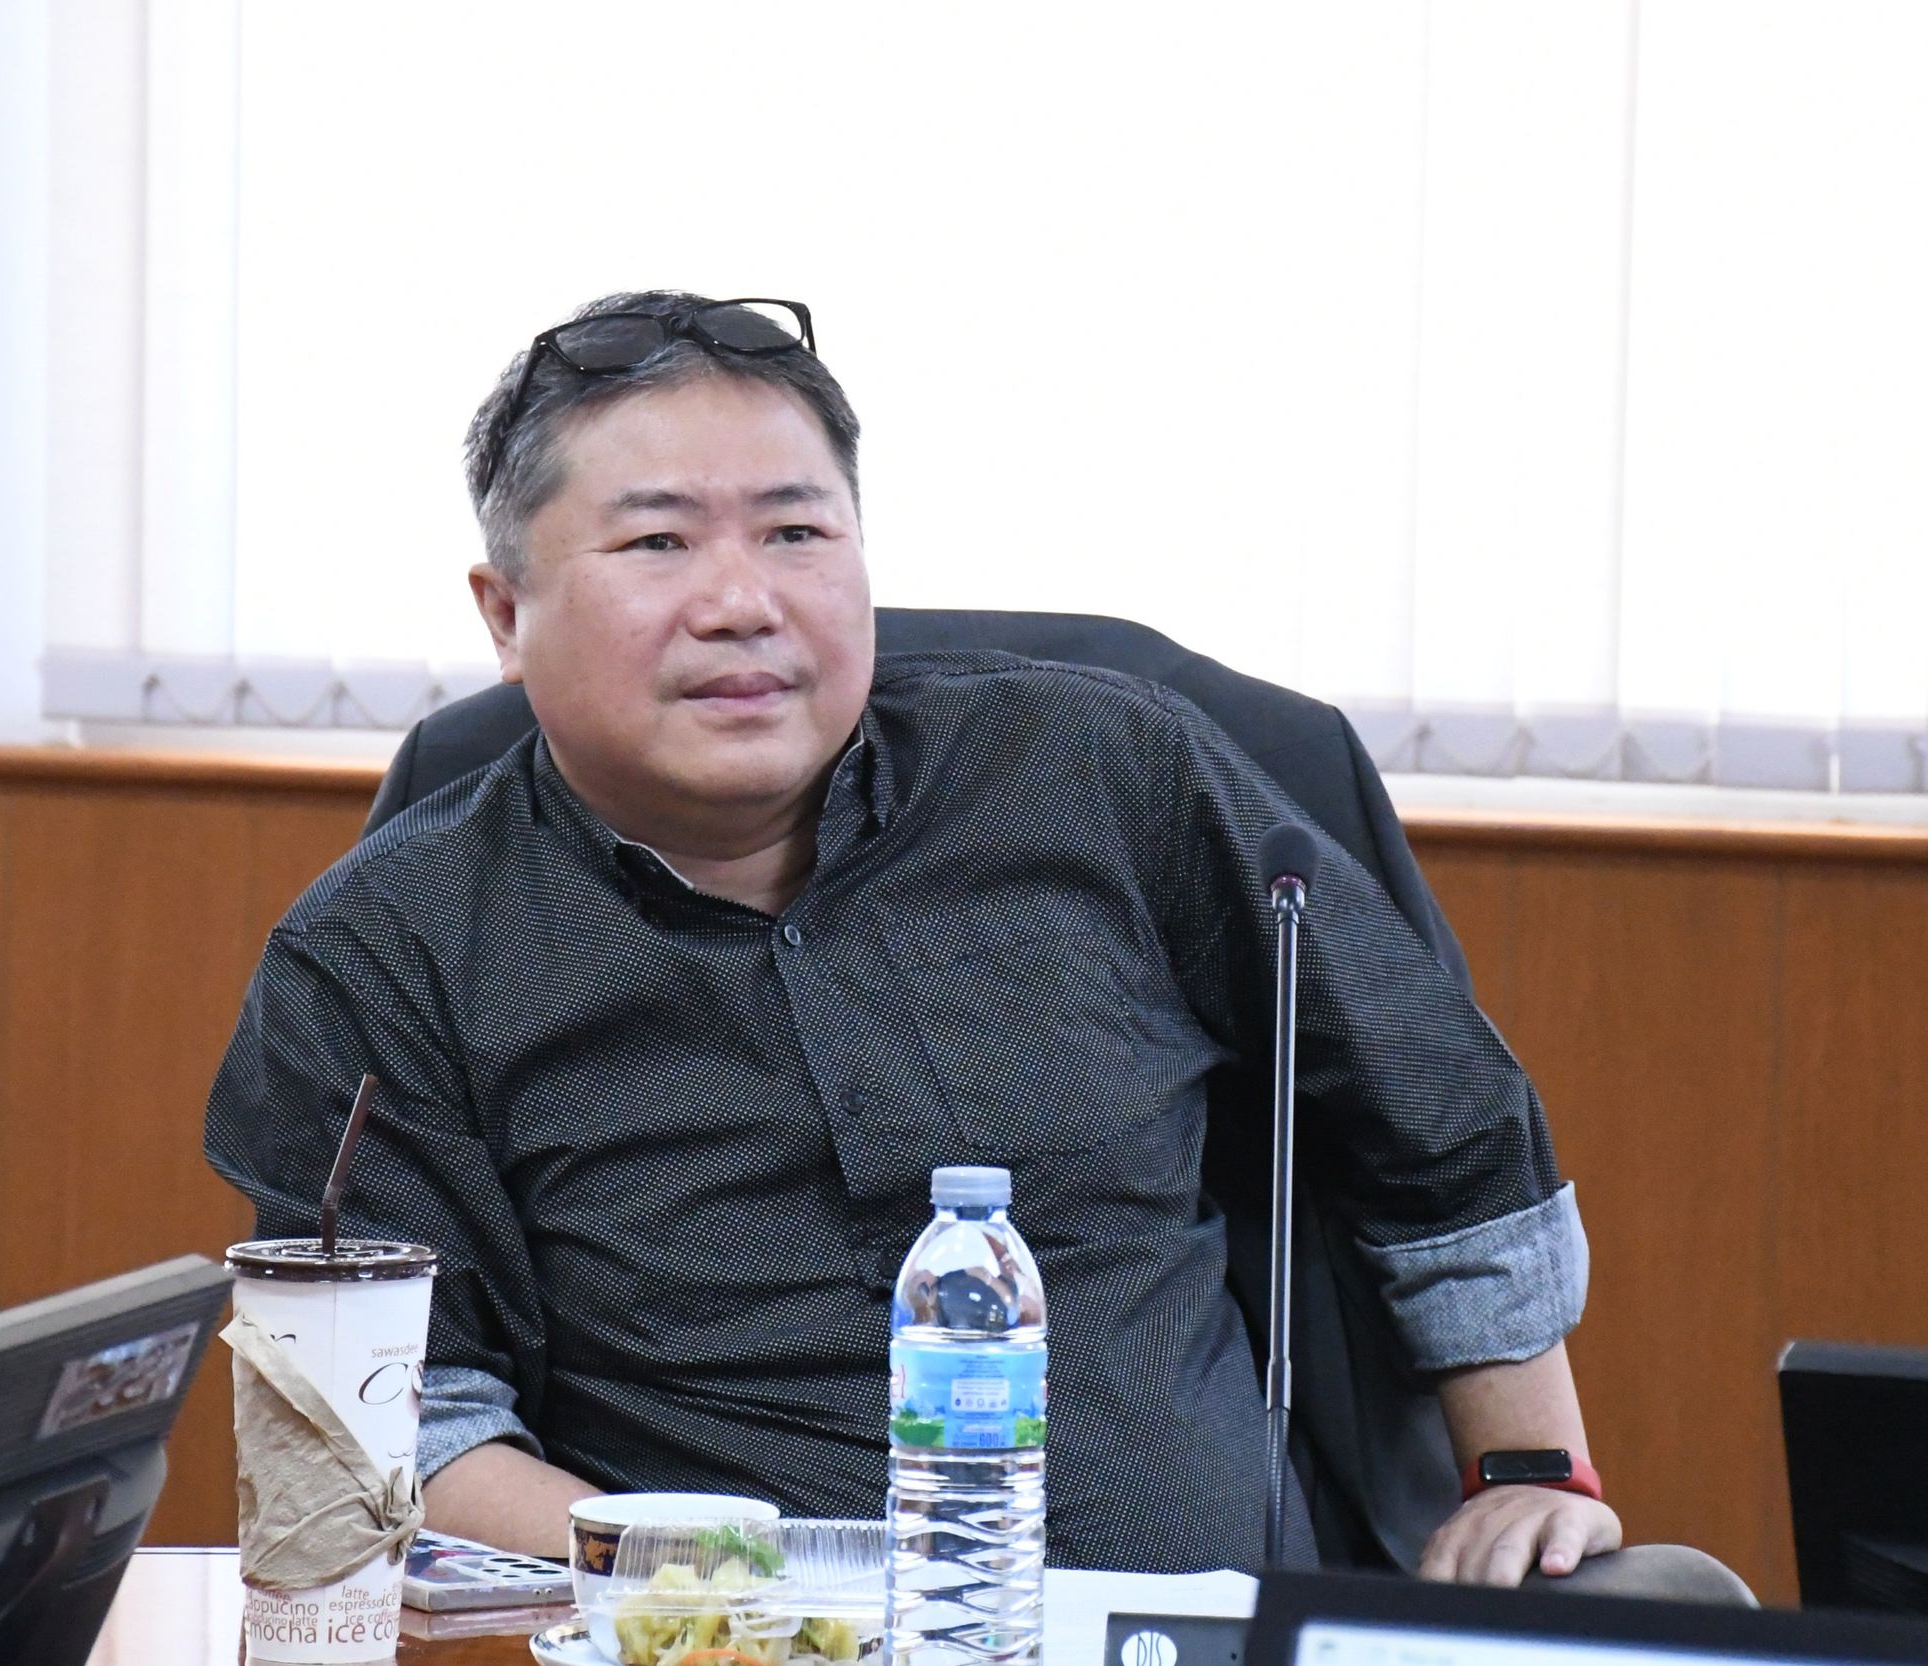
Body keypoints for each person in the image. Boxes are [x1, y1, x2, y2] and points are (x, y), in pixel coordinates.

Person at [205, 292, 1618, 1585]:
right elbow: (400, 1421)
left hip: (1196, 1632)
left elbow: (1436, 1112)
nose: (743, 602)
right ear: (506, 615)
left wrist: (1530, 1471)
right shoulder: (385, 953)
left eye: (796, 532)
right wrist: (720, 1598)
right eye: (657, 542)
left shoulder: (1103, 773)